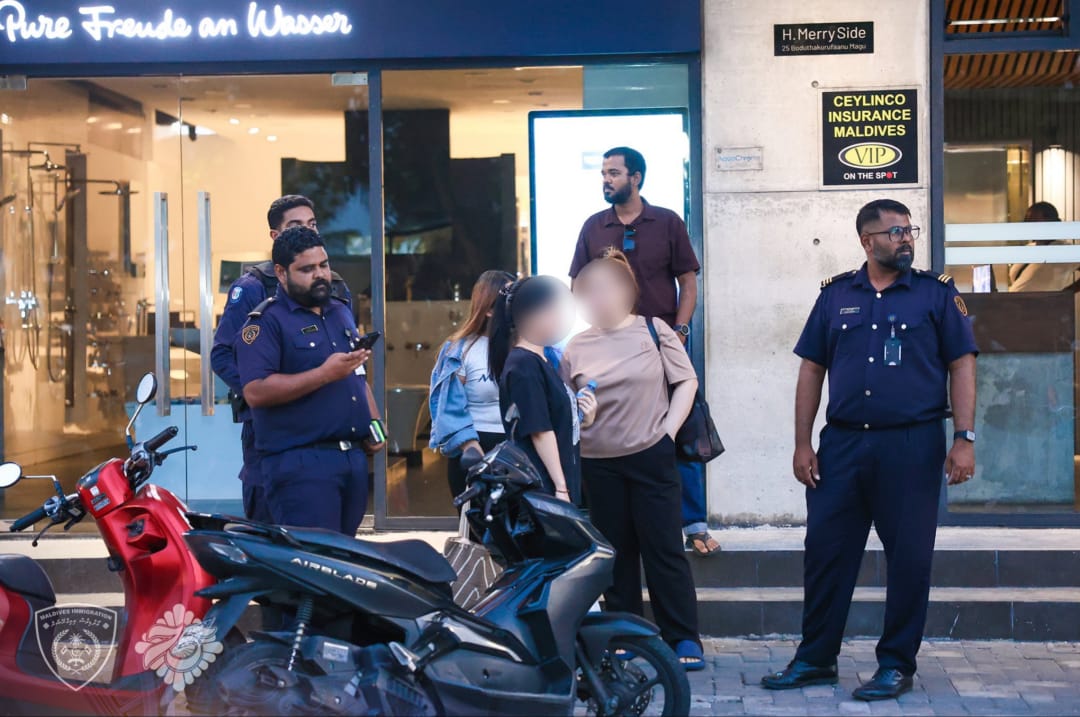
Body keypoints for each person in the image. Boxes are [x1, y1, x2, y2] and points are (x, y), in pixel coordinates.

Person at [761, 199, 978, 701]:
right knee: (826, 554)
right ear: (867, 241)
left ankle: (896, 664)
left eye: (909, 230)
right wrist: (802, 443)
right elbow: (811, 369)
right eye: (895, 232)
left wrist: (964, 439)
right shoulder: (836, 296)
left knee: (908, 559)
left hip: (911, 444)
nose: (906, 239)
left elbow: (962, 363)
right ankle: (816, 658)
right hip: (842, 445)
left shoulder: (935, 294)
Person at [568, 146, 716, 557]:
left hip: (659, 340)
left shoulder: (666, 221)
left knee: (682, 429)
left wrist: (680, 331)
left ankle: (694, 524)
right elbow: (578, 283)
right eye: (604, 173)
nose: (606, 179)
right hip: (611, 345)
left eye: (614, 173)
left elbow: (688, 281)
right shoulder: (594, 226)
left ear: (635, 177)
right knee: (614, 430)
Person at [562, 248, 705, 671]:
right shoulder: (575, 347)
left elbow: (687, 380)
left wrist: (667, 432)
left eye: (605, 290)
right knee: (617, 552)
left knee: (664, 549)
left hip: (650, 456)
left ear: (626, 291)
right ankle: (623, 634)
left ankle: (682, 636)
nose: (598, 299)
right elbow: (568, 406)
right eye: (589, 292)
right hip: (597, 461)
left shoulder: (653, 330)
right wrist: (582, 411)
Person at [211, 195, 381, 523]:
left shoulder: (336, 299)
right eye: (296, 225)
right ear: (275, 237)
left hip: (344, 452)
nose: (308, 231)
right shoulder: (255, 292)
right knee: (279, 530)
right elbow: (225, 356)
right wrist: (266, 395)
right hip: (289, 446)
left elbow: (352, 370)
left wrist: (374, 425)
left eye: (312, 224)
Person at [488, 275, 594, 504]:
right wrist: (561, 488)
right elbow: (540, 432)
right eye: (554, 310)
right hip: (545, 489)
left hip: (557, 484)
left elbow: (557, 423)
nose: (560, 319)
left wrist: (586, 416)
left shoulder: (541, 360)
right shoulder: (524, 365)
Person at [429, 270, 516, 502]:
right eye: (507, 300)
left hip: (518, 449)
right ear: (488, 309)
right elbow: (448, 408)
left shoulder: (528, 345)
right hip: (474, 449)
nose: (513, 306)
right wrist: (472, 449)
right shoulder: (460, 350)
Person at [1008, 201, 1076, 292]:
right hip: (1015, 300)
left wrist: (1067, 292)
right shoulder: (1028, 248)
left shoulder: (1063, 250)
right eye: (1027, 221)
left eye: (1034, 221)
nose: (1029, 225)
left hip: (1045, 301)